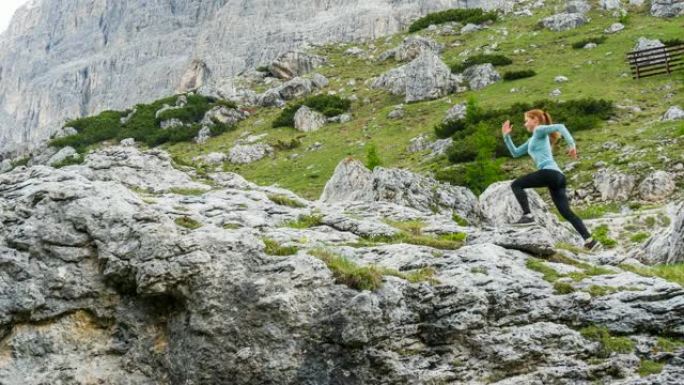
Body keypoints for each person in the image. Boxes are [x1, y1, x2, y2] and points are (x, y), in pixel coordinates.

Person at [502, 109, 597, 250]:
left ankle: (527, 216)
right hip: (559, 177)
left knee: (516, 185)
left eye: (527, 120)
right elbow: (515, 153)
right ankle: (590, 240)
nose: (525, 124)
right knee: (566, 212)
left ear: (536, 120)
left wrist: (572, 145)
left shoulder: (539, 130)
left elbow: (560, 127)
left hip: (549, 173)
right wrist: (506, 137)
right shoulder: (532, 139)